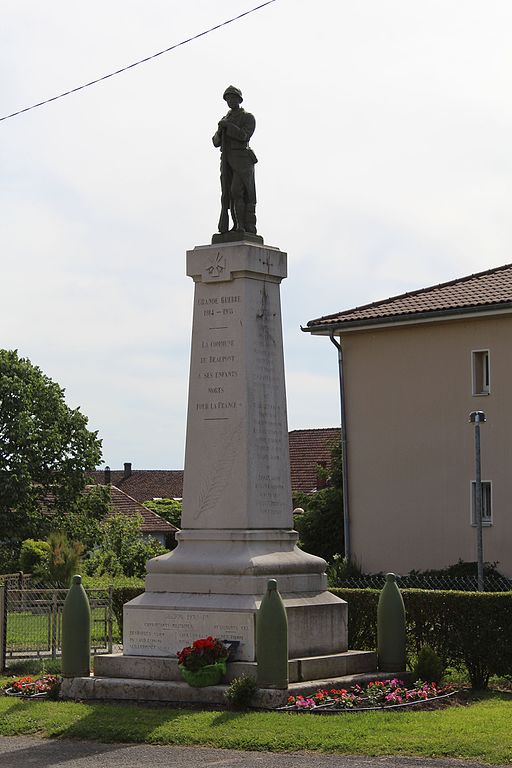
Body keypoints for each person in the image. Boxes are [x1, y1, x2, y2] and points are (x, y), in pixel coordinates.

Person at [213, 85, 258, 235]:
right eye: (227, 98)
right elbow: (215, 142)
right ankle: (234, 226)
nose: (230, 101)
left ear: (239, 99)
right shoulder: (224, 119)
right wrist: (220, 130)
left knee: (237, 191)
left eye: (232, 97)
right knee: (229, 195)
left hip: (242, 161)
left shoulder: (247, 117)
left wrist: (229, 127)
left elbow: (244, 136)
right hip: (227, 161)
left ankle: (242, 226)